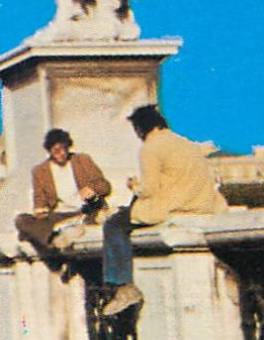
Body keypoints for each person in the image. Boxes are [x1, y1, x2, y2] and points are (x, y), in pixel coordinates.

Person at [99, 106, 227, 316]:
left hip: (170, 207)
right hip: (201, 205)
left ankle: (123, 286)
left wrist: (134, 185)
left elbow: (149, 189)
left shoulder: (151, 148)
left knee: (114, 225)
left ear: (140, 129)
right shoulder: (186, 143)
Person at [14, 128, 111, 255]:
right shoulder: (40, 171)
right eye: (56, 151)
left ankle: (62, 233)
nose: (62, 153)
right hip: (59, 215)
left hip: (85, 210)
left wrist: (93, 190)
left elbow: (105, 186)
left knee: (26, 234)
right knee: (21, 220)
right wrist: (39, 209)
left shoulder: (82, 160)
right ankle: (54, 239)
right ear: (49, 151)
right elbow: (39, 199)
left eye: (64, 149)